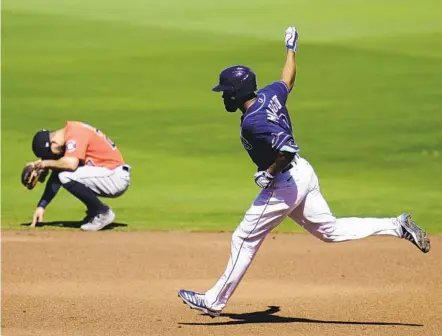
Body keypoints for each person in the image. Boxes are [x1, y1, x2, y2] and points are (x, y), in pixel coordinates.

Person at [177, 26, 430, 317]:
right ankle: (396, 225)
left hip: (285, 181)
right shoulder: (269, 95)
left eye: (226, 92)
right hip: (303, 175)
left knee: (243, 238)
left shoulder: (254, 122)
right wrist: (290, 48)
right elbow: (287, 79)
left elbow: (287, 150)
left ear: (237, 93)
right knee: (329, 231)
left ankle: (214, 301)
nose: (222, 97)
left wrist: (269, 173)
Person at [29, 121, 131, 231]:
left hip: (114, 177)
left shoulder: (75, 133)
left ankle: (102, 212)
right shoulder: (70, 134)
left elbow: (71, 165)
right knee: (63, 174)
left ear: (53, 143)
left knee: (65, 176)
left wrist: (45, 163)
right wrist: (41, 206)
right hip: (108, 175)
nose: (54, 157)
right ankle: (94, 212)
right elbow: (56, 175)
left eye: (52, 155)